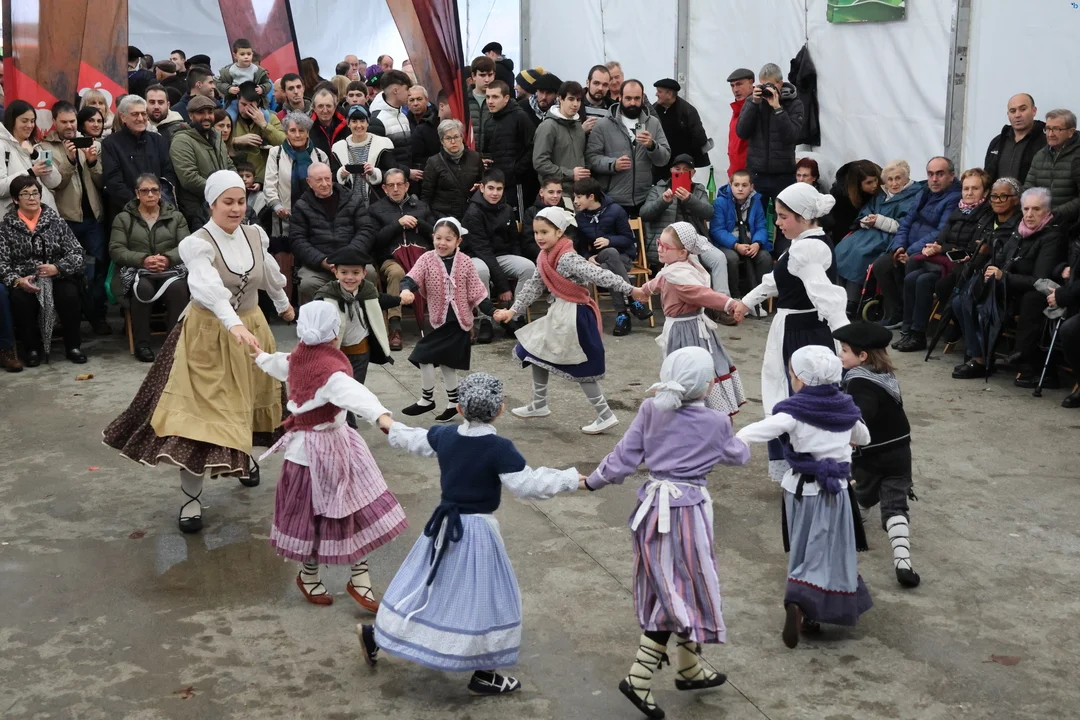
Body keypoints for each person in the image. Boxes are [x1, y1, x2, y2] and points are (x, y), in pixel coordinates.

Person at [360, 371, 582, 696]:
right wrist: (573, 480)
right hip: (478, 532)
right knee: (485, 597)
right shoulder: (499, 448)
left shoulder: (446, 436)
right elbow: (528, 484)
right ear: (500, 409)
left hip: (443, 529)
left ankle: (379, 635)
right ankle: (484, 672)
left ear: (459, 408)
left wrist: (387, 422)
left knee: (427, 585)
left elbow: (414, 439)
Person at [103, 170, 294, 534]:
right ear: (211, 204)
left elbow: (269, 275)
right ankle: (191, 498)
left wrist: (284, 306)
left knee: (246, 401)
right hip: (208, 335)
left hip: (252, 330)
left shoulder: (255, 235)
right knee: (198, 417)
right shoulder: (196, 243)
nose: (236, 209)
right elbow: (207, 287)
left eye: (240, 201)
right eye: (227, 202)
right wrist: (232, 323)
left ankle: (243, 457)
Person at [584, 347, 749, 718]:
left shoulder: (650, 409)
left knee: (671, 587)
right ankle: (639, 678)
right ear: (707, 386)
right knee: (682, 591)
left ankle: (689, 668)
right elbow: (738, 456)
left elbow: (623, 456)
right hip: (688, 515)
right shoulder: (716, 422)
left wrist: (593, 481)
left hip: (650, 512)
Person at [253, 301, 407, 609]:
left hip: (321, 448)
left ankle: (354, 577)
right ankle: (316, 575)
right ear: (335, 333)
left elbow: (277, 363)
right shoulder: (330, 370)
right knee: (325, 514)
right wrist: (382, 418)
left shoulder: (299, 357)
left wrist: (258, 355)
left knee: (346, 509)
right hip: (319, 453)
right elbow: (356, 394)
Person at [735, 345, 872, 648]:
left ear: (801, 380)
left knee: (803, 545)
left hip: (799, 490)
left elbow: (760, 430)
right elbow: (864, 437)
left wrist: (736, 440)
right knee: (828, 547)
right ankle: (805, 604)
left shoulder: (793, 412)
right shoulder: (846, 410)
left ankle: (804, 606)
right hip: (834, 491)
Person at [733, 183, 849, 481]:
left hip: (802, 332)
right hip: (797, 328)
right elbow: (777, 279)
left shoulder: (808, 249)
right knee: (788, 391)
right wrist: (747, 302)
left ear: (804, 217)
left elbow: (826, 296)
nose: (778, 223)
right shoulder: (803, 242)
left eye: (784, 217)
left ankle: (809, 461)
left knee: (796, 395)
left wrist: (848, 338)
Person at [493, 206, 635, 434]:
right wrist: (513, 311)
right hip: (560, 313)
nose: (539, 237)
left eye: (544, 232)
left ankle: (605, 415)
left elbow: (599, 275)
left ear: (559, 232)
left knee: (581, 366)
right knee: (535, 351)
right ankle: (539, 403)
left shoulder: (568, 258)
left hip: (575, 316)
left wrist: (631, 289)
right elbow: (534, 285)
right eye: (536, 232)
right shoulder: (544, 256)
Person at [834, 322, 920, 588]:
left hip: (872, 454)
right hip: (900, 450)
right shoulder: (884, 375)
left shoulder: (859, 381)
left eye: (845, 350)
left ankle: (844, 536)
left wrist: (848, 434)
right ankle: (903, 562)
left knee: (863, 494)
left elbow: (862, 413)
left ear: (862, 356)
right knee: (895, 506)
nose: (840, 355)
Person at [632, 223, 746, 416]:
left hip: (686, 333)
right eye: (659, 243)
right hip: (688, 328)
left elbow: (705, 295)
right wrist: (644, 290)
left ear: (682, 252)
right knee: (696, 368)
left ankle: (699, 412)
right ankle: (701, 412)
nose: (659, 248)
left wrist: (730, 304)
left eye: (665, 246)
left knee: (688, 371)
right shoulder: (674, 269)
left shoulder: (681, 279)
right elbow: (658, 281)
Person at [952, 187, 1064, 380]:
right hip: (1005, 286)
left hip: (1026, 293)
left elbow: (1039, 279)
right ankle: (978, 355)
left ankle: (981, 360)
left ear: (1047, 211)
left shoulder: (1052, 236)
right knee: (959, 300)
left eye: (1036, 209)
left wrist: (1003, 276)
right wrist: (990, 268)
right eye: (1026, 209)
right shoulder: (1020, 230)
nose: (1029, 214)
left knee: (980, 304)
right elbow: (1002, 257)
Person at [398, 218, 496, 421]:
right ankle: (454, 403)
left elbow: (478, 293)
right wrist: (406, 289)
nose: (442, 243)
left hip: (458, 324)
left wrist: (493, 312)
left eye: (448, 239)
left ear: (458, 241)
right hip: (439, 321)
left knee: (422, 355)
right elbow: (411, 277)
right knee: (445, 364)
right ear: (433, 237)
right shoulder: (427, 259)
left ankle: (427, 399)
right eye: (438, 238)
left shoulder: (465, 262)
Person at [894, 168, 992, 351]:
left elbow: (973, 249)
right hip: (944, 262)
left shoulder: (986, 215)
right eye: (966, 188)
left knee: (923, 280)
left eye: (975, 188)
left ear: (985, 192)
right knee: (911, 277)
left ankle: (918, 334)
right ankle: (907, 330)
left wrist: (942, 248)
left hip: (962, 268)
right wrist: (934, 246)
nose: (969, 193)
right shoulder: (959, 210)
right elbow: (941, 237)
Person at [0, 174, 87, 365]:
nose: (32, 198)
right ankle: (32, 349)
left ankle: (73, 346)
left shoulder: (56, 222)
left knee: (69, 295)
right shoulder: (6, 227)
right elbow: (2, 263)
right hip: (25, 278)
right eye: (25, 194)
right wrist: (18, 280)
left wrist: (58, 268)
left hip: (57, 276)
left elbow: (77, 253)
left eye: (35, 193)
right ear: (15, 199)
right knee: (20, 299)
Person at [41, 101, 108, 334]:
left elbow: (102, 182)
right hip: (66, 219)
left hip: (94, 218)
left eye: (72, 121)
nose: (69, 126)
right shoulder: (45, 147)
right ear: (54, 121)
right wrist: (70, 161)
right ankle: (72, 319)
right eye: (64, 122)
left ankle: (97, 316)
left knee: (98, 269)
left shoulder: (90, 143)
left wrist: (92, 162)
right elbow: (55, 184)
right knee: (70, 272)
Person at [109, 173, 191, 362]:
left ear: (160, 193)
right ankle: (142, 344)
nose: (150, 195)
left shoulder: (176, 217)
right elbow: (116, 249)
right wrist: (143, 260)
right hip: (137, 270)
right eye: (145, 191)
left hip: (170, 269)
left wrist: (167, 259)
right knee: (142, 289)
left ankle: (174, 343)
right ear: (137, 194)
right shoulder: (123, 218)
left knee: (178, 288)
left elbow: (187, 245)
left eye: (154, 190)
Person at [873, 157, 961, 328]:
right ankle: (898, 312)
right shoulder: (923, 192)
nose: (934, 179)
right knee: (881, 265)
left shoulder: (954, 198)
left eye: (940, 174)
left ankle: (910, 318)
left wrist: (911, 251)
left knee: (907, 268)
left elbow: (940, 232)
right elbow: (906, 222)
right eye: (930, 174)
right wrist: (899, 246)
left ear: (951, 176)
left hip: (928, 250)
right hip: (909, 247)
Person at [572, 177, 653, 335]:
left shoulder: (616, 210)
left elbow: (629, 239)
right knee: (608, 256)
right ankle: (632, 298)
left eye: (579, 197)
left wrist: (610, 240)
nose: (575, 201)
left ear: (591, 196)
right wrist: (587, 257)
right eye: (574, 196)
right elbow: (580, 244)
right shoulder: (580, 218)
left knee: (609, 261)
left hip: (623, 257)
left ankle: (622, 313)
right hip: (598, 258)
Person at [366, 168, 437, 349]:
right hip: (391, 259)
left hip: (421, 258)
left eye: (399, 184)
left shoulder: (421, 207)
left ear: (407, 186)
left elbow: (435, 235)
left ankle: (445, 322)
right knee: (397, 273)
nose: (396, 189)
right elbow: (374, 241)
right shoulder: (375, 209)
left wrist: (419, 222)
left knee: (439, 270)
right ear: (384, 188)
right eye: (391, 185)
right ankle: (395, 327)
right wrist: (397, 224)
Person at [835, 160, 919, 309]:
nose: (894, 183)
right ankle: (838, 294)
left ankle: (853, 299)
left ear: (906, 178)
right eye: (890, 179)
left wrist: (879, 220)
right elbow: (866, 211)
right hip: (869, 232)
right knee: (841, 248)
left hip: (889, 236)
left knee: (860, 253)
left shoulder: (914, 196)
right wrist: (866, 220)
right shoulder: (881, 194)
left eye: (898, 178)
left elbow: (905, 224)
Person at [314, 246, 398, 388]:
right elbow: (312, 314)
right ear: (335, 272)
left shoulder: (368, 292)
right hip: (337, 352)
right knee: (336, 387)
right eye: (344, 272)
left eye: (355, 272)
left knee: (356, 388)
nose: (350, 277)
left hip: (361, 351)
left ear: (364, 273)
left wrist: (400, 299)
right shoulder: (326, 296)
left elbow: (382, 300)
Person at [289, 162, 374, 302]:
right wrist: (322, 261)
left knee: (370, 272)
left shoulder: (352, 199)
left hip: (352, 259)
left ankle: (364, 313)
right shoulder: (301, 206)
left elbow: (366, 230)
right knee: (307, 283)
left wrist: (349, 255)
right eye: (318, 180)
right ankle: (324, 315)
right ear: (309, 182)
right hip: (319, 266)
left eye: (327, 179)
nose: (324, 184)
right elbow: (297, 240)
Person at [586, 80, 671, 215]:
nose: (633, 103)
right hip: (612, 200)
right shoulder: (603, 125)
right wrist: (613, 164)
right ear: (620, 97)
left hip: (645, 199)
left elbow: (664, 158)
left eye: (637, 98)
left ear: (643, 98)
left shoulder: (653, 123)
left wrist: (652, 146)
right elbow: (591, 158)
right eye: (628, 98)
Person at [462, 168, 536, 310]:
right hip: (476, 256)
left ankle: (516, 314)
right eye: (491, 188)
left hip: (501, 256)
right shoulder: (473, 212)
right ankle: (485, 318)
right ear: (482, 188)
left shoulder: (507, 209)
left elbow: (514, 241)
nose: (495, 193)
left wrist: (510, 278)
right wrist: (503, 286)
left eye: (499, 189)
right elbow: (483, 250)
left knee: (528, 267)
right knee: (481, 271)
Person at [735, 63, 805, 207]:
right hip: (757, 174)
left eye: (770, 85)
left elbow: (792, 136)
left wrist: (778, 108)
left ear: (780, 83)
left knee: (784, 215)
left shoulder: (794, 104)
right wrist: (754, 104)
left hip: (783, 174)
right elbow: (741, 132)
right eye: (763, 85)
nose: (766, 89)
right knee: (756, 216)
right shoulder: (753, 101)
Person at [101, 95, 178, 217]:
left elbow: (168, 174)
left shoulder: (158, 141)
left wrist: (157, 201)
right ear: (123, 117)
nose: (140, 118)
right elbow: (114, 181)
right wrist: (139, 205)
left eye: (143, 114)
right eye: (135, 114)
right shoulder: (110, 144)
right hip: (126, 213)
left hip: (160, 209)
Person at [708, 169, 773, 303]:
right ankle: (735, 296)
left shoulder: (756, 201)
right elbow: (717, 230)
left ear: (751, 187)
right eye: (736, 185)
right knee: (731, 258)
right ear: (730, 185)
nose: (740, 189)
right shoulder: (720, 202)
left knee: (765, 257)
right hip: (728, 243)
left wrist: (757, 243)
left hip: (751, 241)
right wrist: (736, 245)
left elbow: (761, 226)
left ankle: (758, 298)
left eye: (744, 185)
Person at [170, 95, 235, 228]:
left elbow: (229, 165)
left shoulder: (216, 136)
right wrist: (220, 191)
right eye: (200, 113)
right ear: (191, 116)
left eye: (210, 112)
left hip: (221, 204)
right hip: (198, 210)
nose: (206, 117)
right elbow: (189, 178)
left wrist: (234, 185)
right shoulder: (182, 140)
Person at [264, 112, 331, 240]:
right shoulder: (276, 154)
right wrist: (277, 207)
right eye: (292, 130)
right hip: (284, 218)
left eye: (301, 130)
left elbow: (327, 186)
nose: (297, 135)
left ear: (308, 133)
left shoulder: (320, 155)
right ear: (286, 133)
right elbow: (269, 185)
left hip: (316, 220)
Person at [639, 154, 712, 268]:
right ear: (671, 170)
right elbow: (644, 214)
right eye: (677, 169)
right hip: (666, 243)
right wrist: (663, 201)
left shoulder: (698, 190)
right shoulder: (658, 189)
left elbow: (709, 213)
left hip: (694, 244)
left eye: (686, 170)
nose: (681, 172)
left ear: (693, 173)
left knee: (718, 259)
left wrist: (690, 199)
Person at [483, 80, 535, 214]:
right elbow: (485, 150)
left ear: (506, 98)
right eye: (488, 97)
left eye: (495, 97)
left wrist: (517, 170)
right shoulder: (489, 121)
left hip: (516, 184)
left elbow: (533, 147)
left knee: (517, 220)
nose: (490, 101)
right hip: (495, 182)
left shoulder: (520, 117)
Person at [2, 100, 62, 216]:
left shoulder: (35, 145)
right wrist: (31, 173)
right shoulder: (2, 146)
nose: (29, 125)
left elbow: (55, 182)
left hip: (46, 216)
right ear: (12, 121)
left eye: (32, 121)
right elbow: (1, 188)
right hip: (17, 219)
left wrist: (35, 155)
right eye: (24, 121)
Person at [1023, 109, 1080, 227]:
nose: (1050, 134)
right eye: (1048, 129)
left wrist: (1054, 214)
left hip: (1071, 226)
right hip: (1041, 225)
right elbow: (1028, 189)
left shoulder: (1077, 156)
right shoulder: (1040, 156)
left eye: (1056, 129)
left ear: (1071, 132)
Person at [532, 80, 588, 199]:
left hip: (578, 192)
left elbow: (582, 157)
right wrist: (570, 174)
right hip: (555, 193)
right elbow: (540, 162)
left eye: (578, 100)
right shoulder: (548, 127)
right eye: (571, 99)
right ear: (560, 99)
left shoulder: (578, 126)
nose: (575, 104)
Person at [331, 105, 395, 205]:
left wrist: (374, 172)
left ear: (367, 122)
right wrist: (341, 174)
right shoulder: (338, 148)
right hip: (349, 204)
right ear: (348, 123)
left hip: (376, 202)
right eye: (354, 121)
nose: (358, 125)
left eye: (362, 121)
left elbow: (392, 173)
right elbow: (332, 177)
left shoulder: (383, 144)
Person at [422, 119, 483, 221]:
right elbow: (426, 195)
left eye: (456, 137)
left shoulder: (475, 157)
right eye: (448, 138)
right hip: (444, 217)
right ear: (442, 141)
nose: (453, 142)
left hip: (470, 215)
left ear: (462, 137)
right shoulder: (433, 162)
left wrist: (480, 184)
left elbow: (483, 181)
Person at [651, 78, 709, 182]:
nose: (656, 94)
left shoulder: (688, 111)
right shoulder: (654, 109)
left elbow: (700, 138)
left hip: (680, 166)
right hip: (659, 164)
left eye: (659, 91)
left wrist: (684, 157)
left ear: (669, 94)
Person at [230, 83, 285, 183]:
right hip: (235, 179)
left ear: (258, 103)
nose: (246, 109)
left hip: (263, 180)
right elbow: (217, 141)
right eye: (243, 104)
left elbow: (284, 142)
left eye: (251, 105)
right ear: (237, 100)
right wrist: (236, 140)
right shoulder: (229, 119)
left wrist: (264, 125)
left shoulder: (270, 118)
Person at [985, 93, 1046, 183]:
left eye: (1023, 109)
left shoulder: (1045, 141)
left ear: (1034, 111)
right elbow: (987, 176)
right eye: (1012, 111)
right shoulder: (997, 142)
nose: (1017, 115)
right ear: (1008, 114)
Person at [369, 70, 413, 169]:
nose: (410, 93)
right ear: (395, 90)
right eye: (407, 89)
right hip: (392, 177)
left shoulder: (403, 116)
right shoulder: (377, 120)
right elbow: (379, 158)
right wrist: (407, 172)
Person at [522, 176, 574, 261]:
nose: (555, 196)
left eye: (559, 192)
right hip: (540, 257)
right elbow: (528, 243)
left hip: (565, 255)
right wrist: (548, 255)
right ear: (541, 192)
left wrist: (562, 254)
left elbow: (573, 237)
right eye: (551, 192)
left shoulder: (567, 211)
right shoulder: (531, 212)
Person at [215, 38, 272, 103]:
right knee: (230, 110)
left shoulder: (258, 70)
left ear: (252, 54)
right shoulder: (229, 71)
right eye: (242, 54)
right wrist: (229, 89)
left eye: (249, 54)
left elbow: (268, 83)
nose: (246, 57)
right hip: (234, 100)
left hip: (255, 100)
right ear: (235, 56)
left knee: (264, 110)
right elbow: (219, 84)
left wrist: (262, 88)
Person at [406, 85, 440, 190]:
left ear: (427, 100)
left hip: (434, 174)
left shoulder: (436, 120)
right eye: (411, 100)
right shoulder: (403, 122)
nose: (415, 103)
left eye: (419, 99)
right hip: (412, 176)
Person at [726, 68, 755, 176]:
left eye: (739, 84)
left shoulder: (758, 107)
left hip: (750, 175)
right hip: (736, 175)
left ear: (751, 82)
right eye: (732, 86)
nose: (735, 90)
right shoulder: (737, 109)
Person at [307, 88, 348, 159]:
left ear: (335, 107)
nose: (325, 110)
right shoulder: (307, 128)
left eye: (328, 106)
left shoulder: (346, 125)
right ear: (314, 108)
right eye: (320, 106)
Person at [582, 65, 614, 131]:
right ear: (588, 83)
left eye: (605, 85)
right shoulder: (575, 105)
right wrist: (581, 131)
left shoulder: (613, 109)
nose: (600, 88)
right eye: (596, 83)